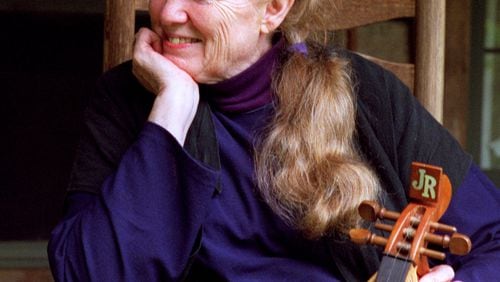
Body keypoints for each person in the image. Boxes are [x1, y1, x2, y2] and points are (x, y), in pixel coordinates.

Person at [48, 0, 500, 280]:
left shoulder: (367, 95)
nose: (167, 13)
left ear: (274, 9)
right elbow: (88, 273)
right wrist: (172, 109)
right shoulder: (126, 101)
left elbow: (494, 239)